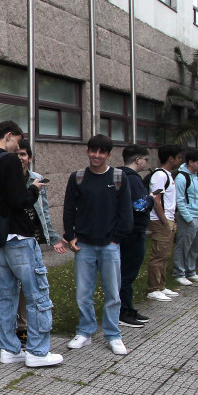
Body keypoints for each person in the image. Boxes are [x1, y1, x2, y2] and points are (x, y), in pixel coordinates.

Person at [0, 122, 62, 368]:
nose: (18, 148)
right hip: (19, 237)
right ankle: (37, 352)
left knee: (4, 296)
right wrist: (33, 189)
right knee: (36, 295)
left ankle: (9, 349)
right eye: (17, 141)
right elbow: (18, 200)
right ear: (9, 136)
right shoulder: (9, 160)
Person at [63, 134, 133, 356]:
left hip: (109, 245)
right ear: (87, 152)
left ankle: (113, 335)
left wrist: (117, 237)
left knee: (113, 293)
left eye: (102, 152)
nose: (97, 155)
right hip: (84, 245)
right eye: (93, 151)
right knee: (84, 292)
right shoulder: (78, 178)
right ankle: (85, 331)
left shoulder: (119, 177)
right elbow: (68, 209)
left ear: (108, 154)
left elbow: (126, 212)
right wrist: (70, 235)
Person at [14, 139, 67, 344]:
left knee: (30, 286)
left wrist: (53, 238)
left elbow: (43, 212)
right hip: (12, 239)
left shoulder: (37, 179)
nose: (20, 158)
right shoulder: (9, 178)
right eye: (17, 153)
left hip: (31, 239)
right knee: (11, 287)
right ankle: (13, 330)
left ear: (30, 158)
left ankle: (24, 331)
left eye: (23, 154)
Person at [117, 144, 154, 328]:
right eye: (146, 160)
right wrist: (152, 198)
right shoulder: (132, 179)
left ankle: (127, 307)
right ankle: (123, 311)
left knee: (126, 272)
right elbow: (139, 205)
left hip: (127, 231)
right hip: (133, 231)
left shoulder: (119, 176)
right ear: (137, 160)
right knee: (127, 272)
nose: (147, 163)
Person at [145, 145, 184, 302]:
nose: (181, 161)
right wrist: (164, 221)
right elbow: (156, 199)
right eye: (179, 157)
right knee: (158, 254)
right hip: (160, 220)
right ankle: (153, 289)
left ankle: (161, 285)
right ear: (171, 158)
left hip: (168, 219)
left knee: (165, 254)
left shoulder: (168, 175)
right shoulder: (160, 175)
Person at [172, 150, 198, 286]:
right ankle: (179, 273)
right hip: (189, 216)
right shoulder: (182, 178)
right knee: (183, 245)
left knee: (195, 245)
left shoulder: (197, 177)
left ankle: (190, 271)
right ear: (190, 162)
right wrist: (187, 218)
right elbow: (179, 200)